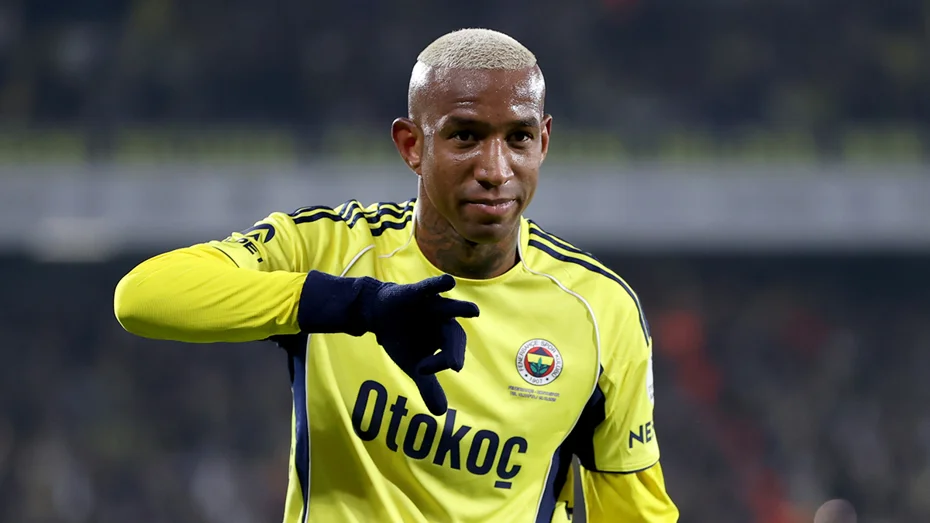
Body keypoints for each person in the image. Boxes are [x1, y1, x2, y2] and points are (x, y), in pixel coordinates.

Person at [113, 28, 679, 523]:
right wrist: (358, 305)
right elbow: (142, 296)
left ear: (544, 142)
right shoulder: (329, 247)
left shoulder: (601, 309)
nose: (495, 169)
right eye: (465, 136)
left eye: (519, 138)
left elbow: (633, 511)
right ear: (412, 145)